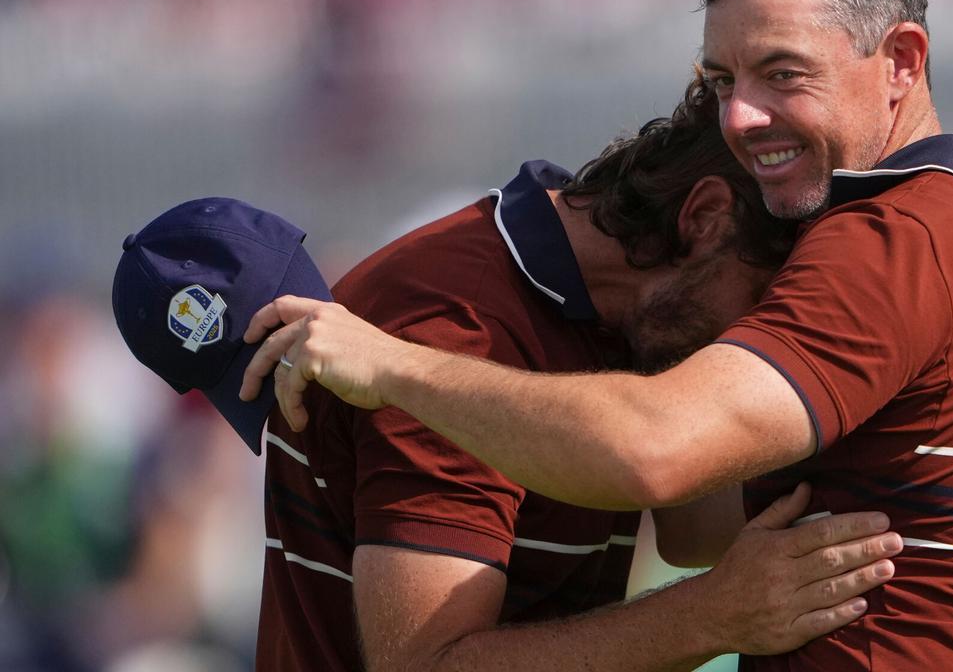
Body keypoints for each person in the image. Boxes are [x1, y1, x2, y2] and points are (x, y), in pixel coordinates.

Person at [242, 0, 953, 670]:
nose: (742, 116)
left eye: (783, 73)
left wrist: (392, 366)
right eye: (723, 81)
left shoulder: (890, 239)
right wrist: (711, 613)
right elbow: (701, 522)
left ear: (901, 62)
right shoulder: (952, 233)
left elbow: (656, 454)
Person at [115, 77, 902, 672]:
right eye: (769, 301)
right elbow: (428, 664)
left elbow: (697, 529)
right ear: (700, 220)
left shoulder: (631, 311)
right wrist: (718, 617)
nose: (766, 341)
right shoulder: (446, 326)